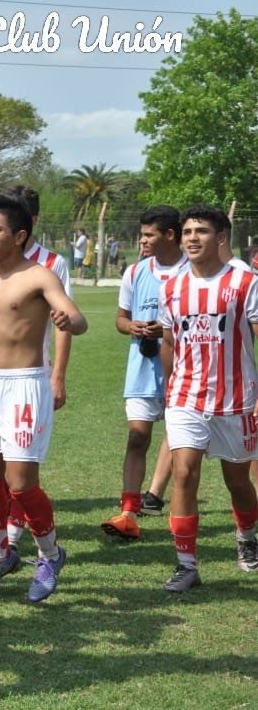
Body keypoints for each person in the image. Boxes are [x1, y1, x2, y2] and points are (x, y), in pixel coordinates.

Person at [0, 194, 87, 605]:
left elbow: (78, 320)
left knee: (21, 484)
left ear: (19, 235)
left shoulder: (40, 276)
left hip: (25, 385)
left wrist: (68, 319)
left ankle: (50, 554)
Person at [157, 204, 258, 592]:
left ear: (220, 238)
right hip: (186, 396)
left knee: (238, 482)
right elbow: (169, 342)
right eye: (186, 232)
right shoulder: (171, 287)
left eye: (200, 231)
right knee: (184, 473)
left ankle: (247, 537)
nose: (192, 238)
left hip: (237, 399)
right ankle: (186, 564)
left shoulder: (245, 282)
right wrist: (170, 387)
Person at [101, 206, 185, 540]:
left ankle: (179, 514)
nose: (143, 241)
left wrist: (164, 330)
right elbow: (120, 319)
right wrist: (132, 326)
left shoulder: (191, 271)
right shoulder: (135, 272)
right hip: (142, 369)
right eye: (142, 235)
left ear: (170, 235)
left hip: (184, 369)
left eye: (149, 235)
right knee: (137, 436)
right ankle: (128, 512)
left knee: (183, 444)